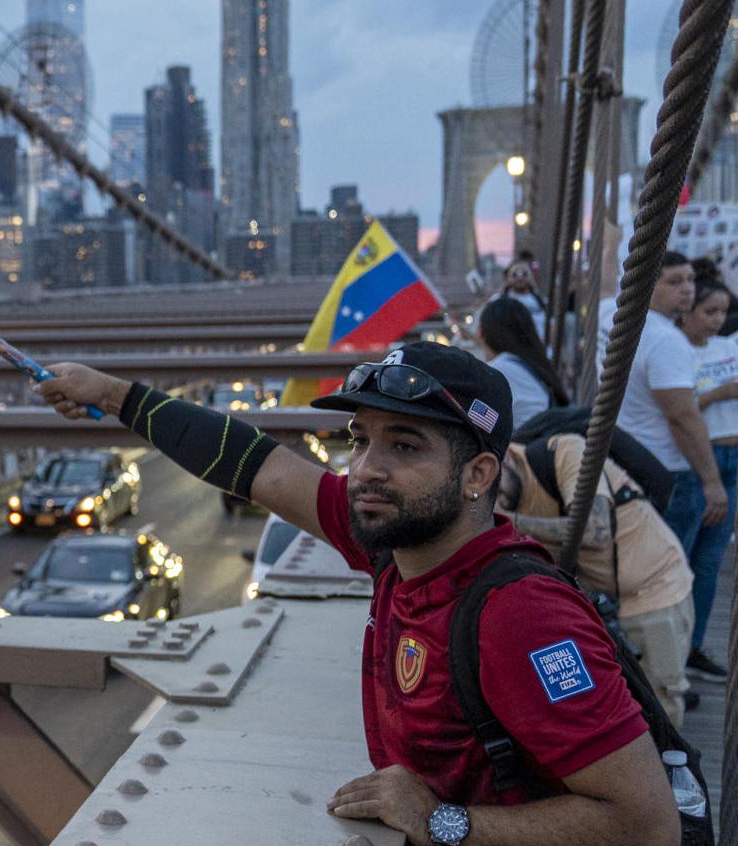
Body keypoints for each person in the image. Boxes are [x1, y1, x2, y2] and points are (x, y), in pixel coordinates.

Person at [36, 342, 677, 845]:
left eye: (404, 445)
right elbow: (251, 463)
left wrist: (446, 823)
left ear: (479, 474)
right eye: (360, 439)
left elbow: (646, 826)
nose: (368, 467)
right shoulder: (394, 543)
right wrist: (115, 395)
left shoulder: (520, 618)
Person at [494, 433, 695, 723]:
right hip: (598, 604)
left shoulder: (565, 451)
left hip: (655, 589)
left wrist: (507, 520)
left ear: (507, 456)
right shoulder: (500, 491)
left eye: (496, 490)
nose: (493, 501)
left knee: (660, 705)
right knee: (608, 707)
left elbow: (594, 530)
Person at [611, 252, 731, 590]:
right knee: (673, 576)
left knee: (644, 572)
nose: (687, 289)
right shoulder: (666, 341)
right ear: (649, 285)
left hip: (633, 464)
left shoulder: (621, 322)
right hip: (672, 473)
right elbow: (681, 416)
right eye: (675, 281)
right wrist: (712, 482)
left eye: (690, 280)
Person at [679, 278, 737, 683]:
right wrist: (718, 394)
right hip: (700, 456)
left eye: (722, 312)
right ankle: (675, 646)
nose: (717, 321)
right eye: (709, 311)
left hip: (733, 455)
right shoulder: (675, 350)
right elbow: (677, 405)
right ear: (689, 311)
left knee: (711, 559)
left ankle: (695, 645)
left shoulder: (728, 347)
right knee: (681, 555)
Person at [477, 297, 569, 426]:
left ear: (482, 333)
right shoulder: (534, 367)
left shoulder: (498, 370)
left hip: (525, 441)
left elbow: (480, 422)